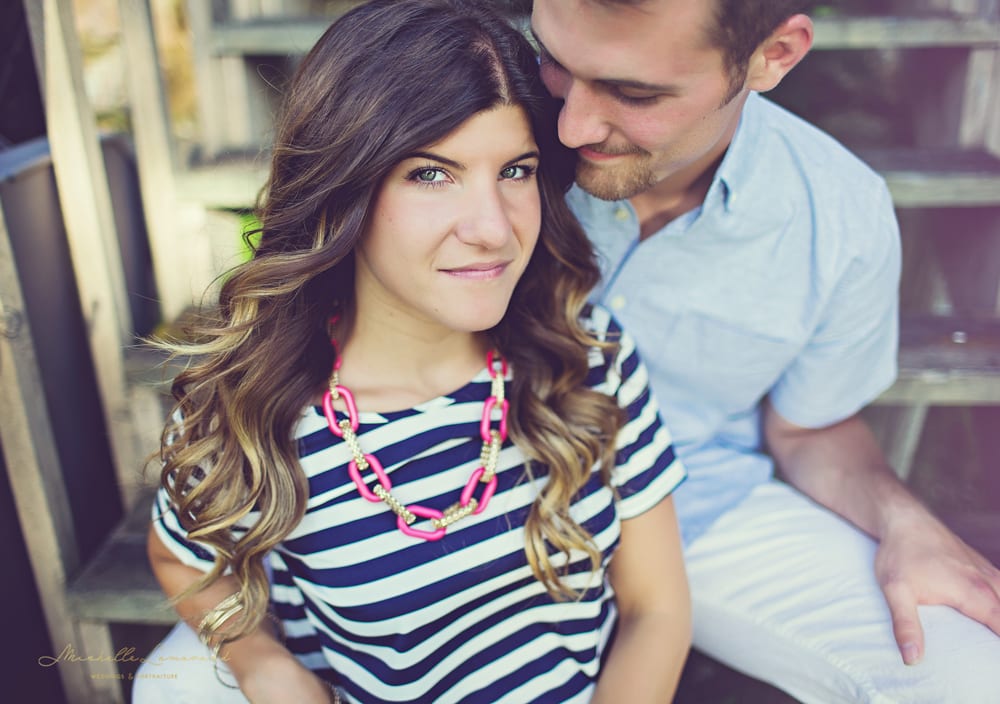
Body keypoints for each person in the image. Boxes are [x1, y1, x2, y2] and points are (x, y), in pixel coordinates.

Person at [133, 1, 691, 702]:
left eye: (516, 171)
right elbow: (180, 560)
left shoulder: (588, 358)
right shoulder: (257, 412)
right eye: (432, 174)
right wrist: (261, 663)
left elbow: (656, 609)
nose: (492, 228)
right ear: (346, 188)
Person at [529, 0, 1000, 702]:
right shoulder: (474, 127)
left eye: (634, 93)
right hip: (465, 492)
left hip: (699, 507)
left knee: (967, 674)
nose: (571, 126)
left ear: (773, 55)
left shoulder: (840, 214)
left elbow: (808, 427)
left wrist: (904, 518)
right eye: (555, 63)